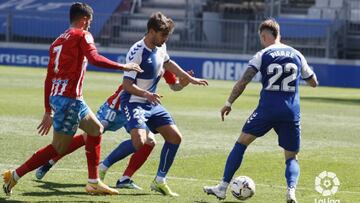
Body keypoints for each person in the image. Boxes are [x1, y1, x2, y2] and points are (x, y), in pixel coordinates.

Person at [2, 2, 142, 196]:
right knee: (58, 147)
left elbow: (49, 77)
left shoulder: (57, 41)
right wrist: (124, 67)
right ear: (84, 20)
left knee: (96, 129)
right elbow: (94, 59)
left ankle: (93, 182)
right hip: (69, 99)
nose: (90, 26)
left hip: (65, 98)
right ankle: (15, 175)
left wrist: (47, 108)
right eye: (89, 22)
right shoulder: (83, 34)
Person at [203, 19, 318, 203]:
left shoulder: (263, 54)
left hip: (267, 110)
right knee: (291, 156)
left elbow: (244, 81)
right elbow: (313, 82)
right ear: (279, 34)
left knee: (241, 143)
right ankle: (291, 192)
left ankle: (223, 187)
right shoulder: (297, 54)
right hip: (290, 111)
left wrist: (229, 102)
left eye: (261, 38)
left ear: (264, 36)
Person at [34, 70, 193, 191]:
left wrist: (182, 83)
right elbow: (127, 84)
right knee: (89, 136)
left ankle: (125, 179)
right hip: (117, 107)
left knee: (149, 141)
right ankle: (50, 161)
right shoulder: (143, 54)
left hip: (140, 109)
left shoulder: (162, 58)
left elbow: (174, 85)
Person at [118, 12, 208, 197]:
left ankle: (159, 181)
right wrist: (146, 94)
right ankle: (102, 168)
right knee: (138, 142)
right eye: (163, 35)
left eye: (167, 35)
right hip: (134, 101)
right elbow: (126, 85)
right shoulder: (137, 52)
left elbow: (169, 64)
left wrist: (188, 78)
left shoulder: (161, 47)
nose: (165, 39)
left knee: (175, 137)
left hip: (151, 103)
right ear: (151, 31)